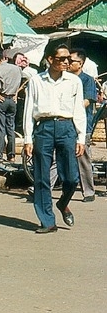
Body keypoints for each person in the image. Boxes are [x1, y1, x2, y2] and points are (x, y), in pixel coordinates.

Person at [23, 44, 86, 234]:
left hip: (67, 128)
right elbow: (28, 110)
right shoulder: (36, 81)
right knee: (41, 177)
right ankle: (47, 221)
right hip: (44, 127)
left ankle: (63, 203)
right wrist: (27, 138)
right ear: (50, 60)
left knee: (72, 177)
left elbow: (79, 111)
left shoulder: (74, 82)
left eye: (69, 59)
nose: (67, 62)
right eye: (62, 59)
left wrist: (81, 137)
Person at [68, 48, 97, 202]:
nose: (68, 63)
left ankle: (89, 191)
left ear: (81, 64)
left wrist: (69, 108)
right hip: (64, 125)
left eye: (71, 60)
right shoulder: (65, 79)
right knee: (54, 156)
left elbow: (87, 101)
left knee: (83, 158)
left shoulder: (87, 80)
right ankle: (43, 187)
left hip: (82, 126)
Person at [0, 49, 22, 162]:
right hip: (13, 100)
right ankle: (11, 155)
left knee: (0, 128)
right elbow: (22, 81)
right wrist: (16, 94)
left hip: (2, 99)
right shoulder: (17, 69)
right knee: (10, 128)